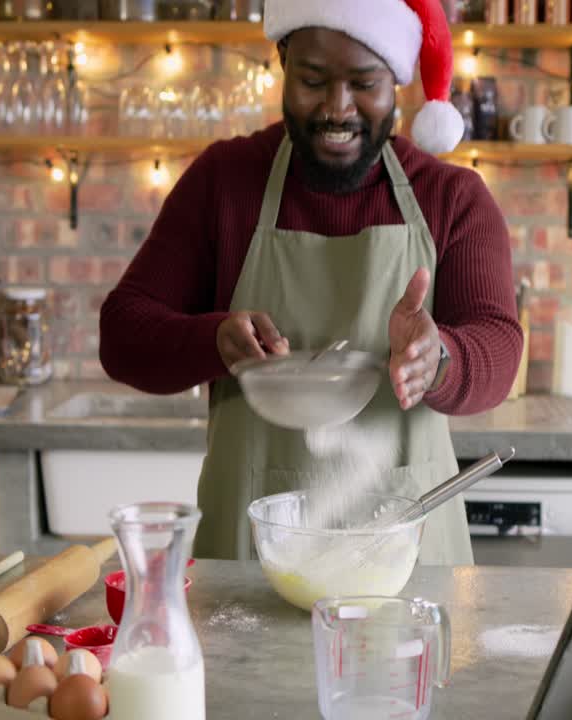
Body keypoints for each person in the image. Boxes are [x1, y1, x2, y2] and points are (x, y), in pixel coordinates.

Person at [100, 0, 522, 564]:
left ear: (396, 81)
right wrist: (213, 340)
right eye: (312, 80)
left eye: (363, 84)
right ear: (282, 61)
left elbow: (499, 343)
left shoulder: (451, 197)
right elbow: (123, 334)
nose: (336, 108)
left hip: (405, 557)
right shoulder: (224, 182)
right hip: (252, 554)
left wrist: (438, 357)